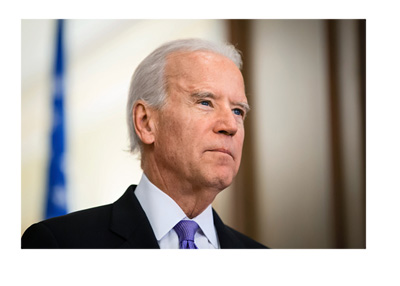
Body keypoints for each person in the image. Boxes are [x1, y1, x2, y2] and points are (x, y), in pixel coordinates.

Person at [21, 38, 267, 249]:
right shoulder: (60, 245)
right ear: (146, 122)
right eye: (205, 102)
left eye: (238, 111)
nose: (231, 126)